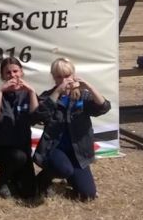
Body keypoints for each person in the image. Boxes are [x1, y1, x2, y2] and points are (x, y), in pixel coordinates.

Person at [33, 57, 111, 201]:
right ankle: (42, 180)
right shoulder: (48, 96)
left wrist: (89, 87)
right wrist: (57, 93)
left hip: (78, 152)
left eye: (67, 76)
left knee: (88, 195)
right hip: (55, 148)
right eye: (59, 77)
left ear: (73, 75)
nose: (64, 80)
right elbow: (39, 116)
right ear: (53, 77)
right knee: (64, 169)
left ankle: (72, 178)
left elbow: (103, 107)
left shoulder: (82, 95)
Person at [0, 56, 45, 200]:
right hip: (1, 149)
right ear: (2, 76)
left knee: (29, 193)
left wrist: (31, 92)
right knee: (17, 158)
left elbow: (36, 118)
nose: (12, 75)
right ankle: (1, 180)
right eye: (8, 73)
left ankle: (13, 176)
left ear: (21, 72)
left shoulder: (28, 94)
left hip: (23, 150)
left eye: (15, 71)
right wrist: (0, 92)